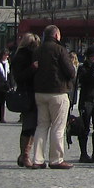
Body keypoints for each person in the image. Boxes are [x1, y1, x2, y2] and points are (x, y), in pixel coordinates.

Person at [31, 25, 77, 169]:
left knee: (41, 126)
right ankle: (56, 159)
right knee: (58, 127)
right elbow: (70, 71)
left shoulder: (38, 50)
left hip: (40, 92)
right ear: (56, 35)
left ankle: (38, 159)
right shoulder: (60, 50)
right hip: (58, 91)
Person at [11, 33, 40, 167]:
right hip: (27, 94)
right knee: (29, 126)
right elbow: (19, 77)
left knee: (32, 126)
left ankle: (24, 154)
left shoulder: (25, 55)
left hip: (32, 93)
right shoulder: (22, 57)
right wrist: (32, 68)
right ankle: (25, 155)